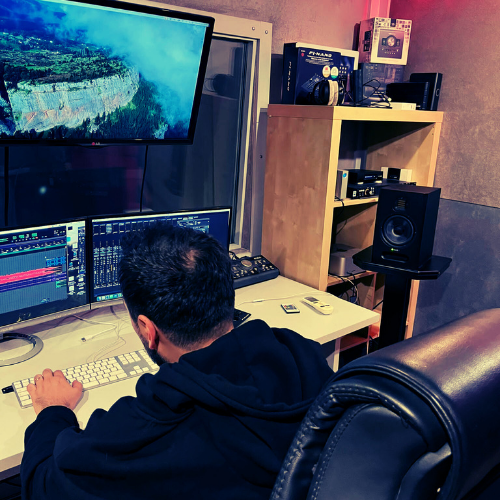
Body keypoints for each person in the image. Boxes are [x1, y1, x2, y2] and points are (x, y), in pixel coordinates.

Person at [21, 223, 333, 499]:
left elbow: (43, 485)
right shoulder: (302, 355)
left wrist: (52, 411)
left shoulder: (146, 429)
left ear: (147, 329)